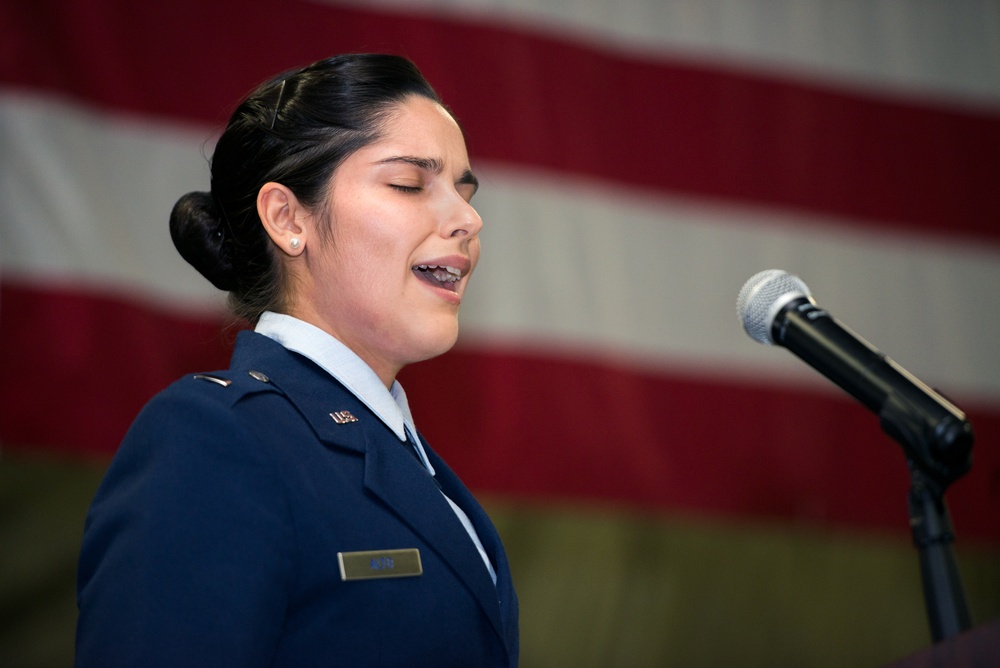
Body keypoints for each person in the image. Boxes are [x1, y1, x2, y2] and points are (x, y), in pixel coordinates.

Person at [75, 53, 519, 667]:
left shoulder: (413, 465)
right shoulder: (214, 437)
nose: (468, 218)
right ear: (287, 219)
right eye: (409, 185)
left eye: (463, 192)